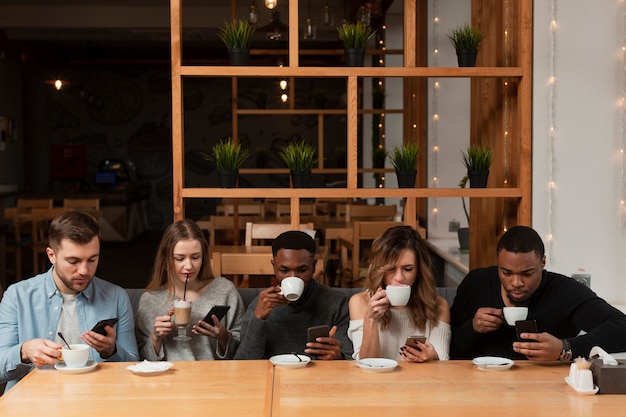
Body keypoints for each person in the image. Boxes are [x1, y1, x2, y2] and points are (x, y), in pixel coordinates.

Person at [0, 211, 139, 392]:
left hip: (96, 400)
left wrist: (111, 351)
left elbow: (134, 367)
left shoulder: (116, 297)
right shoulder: (17, 296)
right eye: (73, 261)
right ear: (51, 255)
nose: (84, 270)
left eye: (92, 260)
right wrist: (24, 352)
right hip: (33, 403)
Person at [450, 225, 626, 361]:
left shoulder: (563, 291)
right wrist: (472, 327)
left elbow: (622, 327)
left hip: (548, 389)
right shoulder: (477, 283)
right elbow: (447, 349)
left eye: (527, 274)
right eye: (506, 273)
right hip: (480, 385)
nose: (516, 283)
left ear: (543, 263)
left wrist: (565, 348)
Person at [135, 219, 245, 361]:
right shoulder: (150, 300)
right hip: (168, 380)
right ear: (166, 260)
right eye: (180, 258)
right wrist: (155, 338)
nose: (189, 266)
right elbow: (141, 358)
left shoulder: (225, 290)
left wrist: (224, 338)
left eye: (195, 257)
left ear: (204, 257)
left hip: (214, 378)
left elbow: (244, 351)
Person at [234, 230, 353, 360]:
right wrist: (258, 319)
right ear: (274, 267)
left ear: (313, 266)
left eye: (302, 270)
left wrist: (339, 357)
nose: (293, 277)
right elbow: (243, 363)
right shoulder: (261, 305)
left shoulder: (338, 303)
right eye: (284, 270)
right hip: (274, 377)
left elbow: (352, 361)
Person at [348, 225, 450, 362]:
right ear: (380, 269)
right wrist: (370, 319)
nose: (399, 277)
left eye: (407, 269)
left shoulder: (438, 305)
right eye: (391, 269)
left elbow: (444, 364)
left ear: (419, 271)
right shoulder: (359, 302)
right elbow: (366, 365)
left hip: (420, 381)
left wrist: (433, 358)